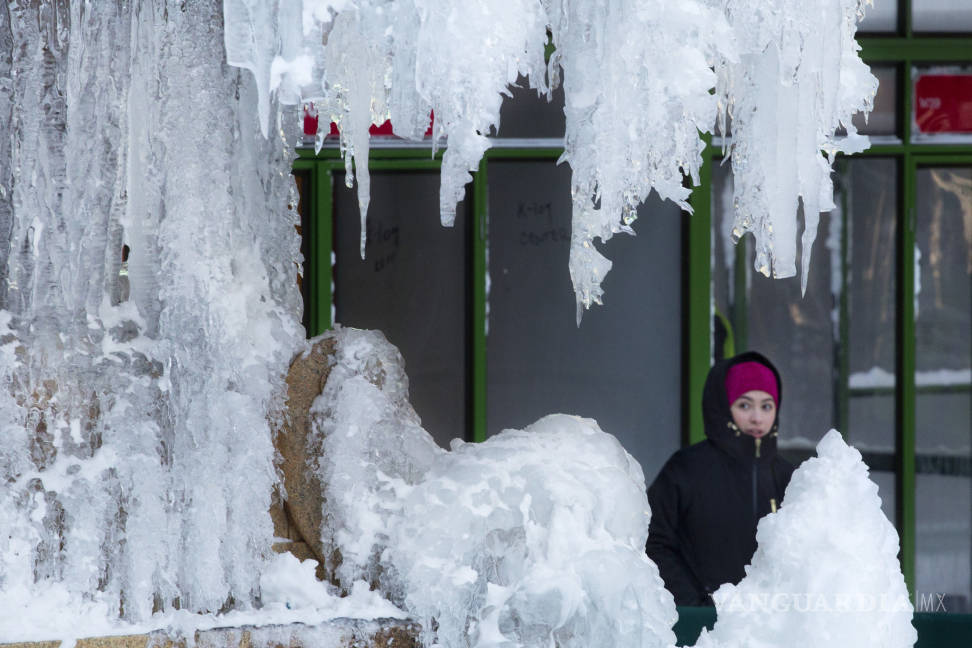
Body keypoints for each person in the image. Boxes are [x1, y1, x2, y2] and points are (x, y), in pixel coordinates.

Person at [646, 351, 795, 606]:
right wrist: (694, 602)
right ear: (724, 405)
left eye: (766, 406)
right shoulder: (687, 468)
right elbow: (653, 541)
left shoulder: (788, 477)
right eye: (745, 405)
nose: (757, 418)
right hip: (698, 627)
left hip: (769, 628)